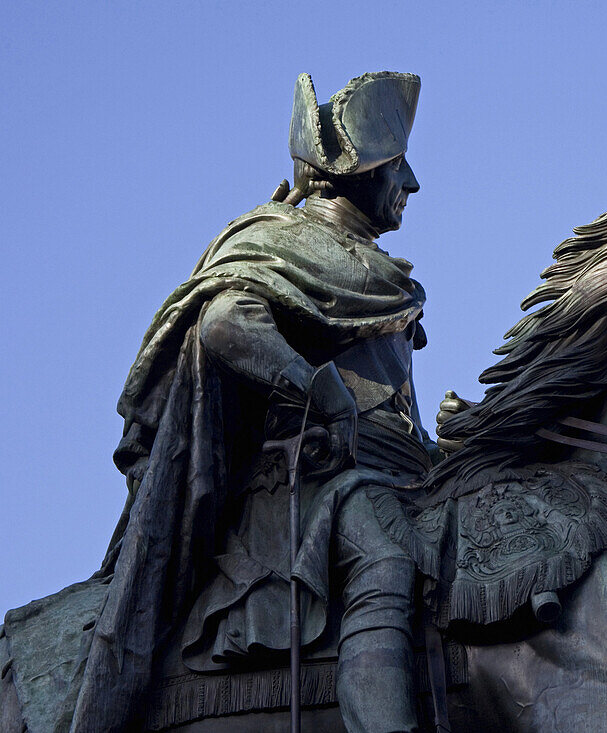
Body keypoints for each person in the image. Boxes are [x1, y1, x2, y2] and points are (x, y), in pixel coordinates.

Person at [70, 71, 432, 733]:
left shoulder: (377, 272)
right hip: (301, 490)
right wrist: (316, 387)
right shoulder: (277, 239)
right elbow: (226, 325)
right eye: (399, 167)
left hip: (398, 474)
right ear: (362, 175)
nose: (411, 185)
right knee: (384, 552)